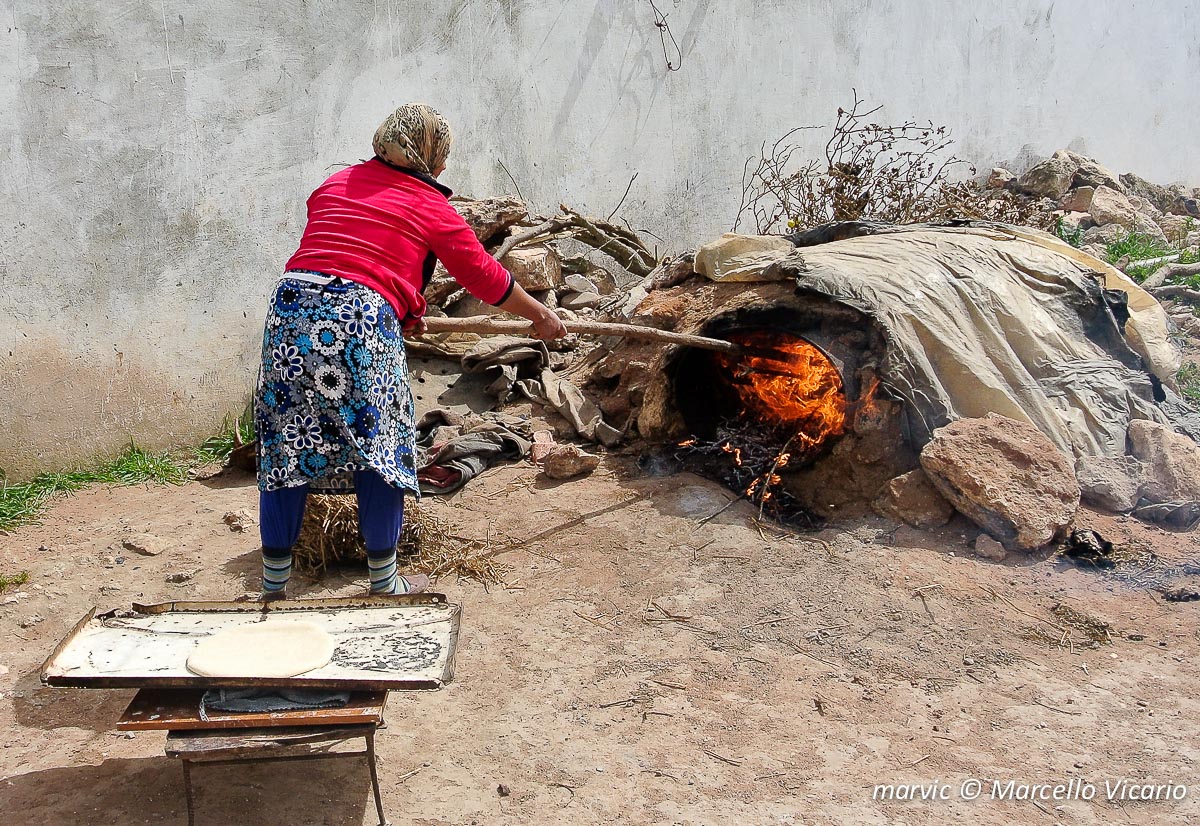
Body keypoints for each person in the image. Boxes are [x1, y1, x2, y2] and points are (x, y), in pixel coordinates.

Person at [254, 103, 566, 600]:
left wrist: (399, 300)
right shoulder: (429, 204)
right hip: (357, 316)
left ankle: (273, 588)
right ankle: (384, 583)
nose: (442, 169)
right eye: (441, 159)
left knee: (288, 440)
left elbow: (348, 249)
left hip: (290, 307)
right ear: (429, 158)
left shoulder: (334, 185)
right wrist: (540, 316)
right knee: (378, 444)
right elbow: (480, 274)